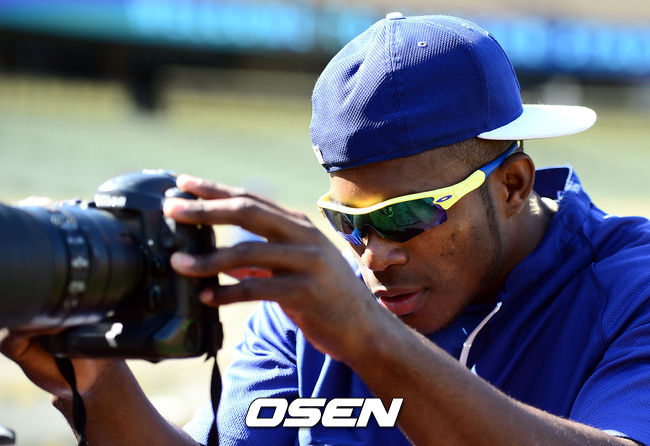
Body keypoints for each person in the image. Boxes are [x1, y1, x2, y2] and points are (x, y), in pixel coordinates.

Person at [2, 13, 650, 446]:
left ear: (512, 185)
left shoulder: (632, 290)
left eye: (406, 216)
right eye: (349, 222)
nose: (374, 258)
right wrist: (93, 386)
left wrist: (368, 341)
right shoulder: (307, 312)